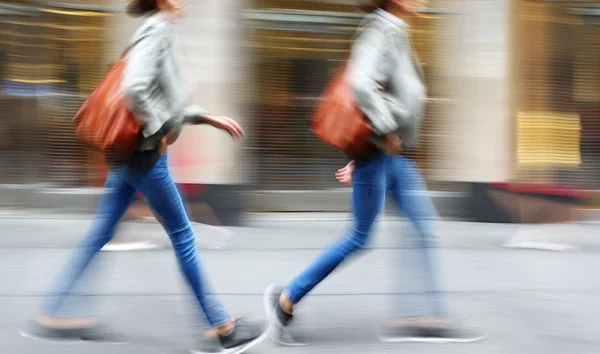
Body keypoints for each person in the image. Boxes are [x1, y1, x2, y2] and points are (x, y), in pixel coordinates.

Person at [21, 0, 267, 352]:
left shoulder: (152, 27)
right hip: (145, 154)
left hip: (127, 154)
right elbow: (135, 88)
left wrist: (203, 117)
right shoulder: (160, 28)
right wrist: (161, 131)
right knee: (183, 237)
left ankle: (55, 312)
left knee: (102, 232)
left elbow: (156, 93)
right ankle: (220, 327)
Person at [263, 0, 482, 345]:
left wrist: (380, 138)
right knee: (360, 237)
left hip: (393, 156)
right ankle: (287, 298)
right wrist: (384, 131)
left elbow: (389, 92)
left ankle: (423, 316)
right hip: (383, 153)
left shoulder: (396, 30)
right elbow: (362, 84)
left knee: (423, 227)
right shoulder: (381, 30)